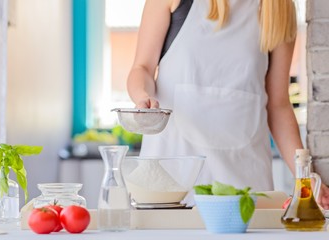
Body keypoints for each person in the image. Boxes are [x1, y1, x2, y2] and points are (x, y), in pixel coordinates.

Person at [126, 0, 329, 209]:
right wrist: (142, 97)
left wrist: (304, 176)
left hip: (245, 188)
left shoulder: (278, 10)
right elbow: (142, 68)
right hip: (170, 183)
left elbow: (278, 105)